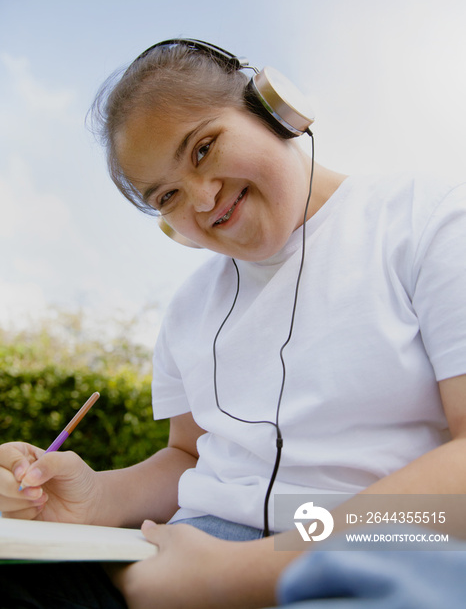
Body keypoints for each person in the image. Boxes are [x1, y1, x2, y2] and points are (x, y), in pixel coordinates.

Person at [1, 39, 466, 609]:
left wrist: (241, 572)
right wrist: (92, 496)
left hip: (369, 555)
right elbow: (188, 457)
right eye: (167, 195)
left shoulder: (431, 220)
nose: (202, 198)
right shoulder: (189, 308)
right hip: (191, 554)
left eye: (202, 149)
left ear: (273, 110)